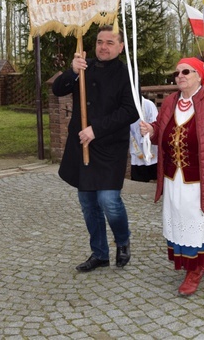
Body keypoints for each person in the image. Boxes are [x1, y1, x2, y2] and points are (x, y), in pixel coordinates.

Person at [139, 57, 204, 296]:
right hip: (173, 180)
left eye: (186, 71)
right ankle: (196, 262)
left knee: (199, 227)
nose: (180, 76)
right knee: (181, 225)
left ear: (200, 76)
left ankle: (196, 269)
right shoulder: (169, 102)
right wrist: (152, 131)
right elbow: (161, 130)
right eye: (176, 73)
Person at [51, 26, 139, 272]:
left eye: (110, 42)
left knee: (108, 200)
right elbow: (58, 89)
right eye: (100, 41)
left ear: (120, 47)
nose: (103, 46)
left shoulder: (126, 74)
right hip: (82, 146)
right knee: (88, 202)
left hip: (109, 146)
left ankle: (122, 241)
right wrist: (72, 71)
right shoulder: (84, 66)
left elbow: (130, 111)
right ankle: (99, 253)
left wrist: (96, 129)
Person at [129, 96, 158, 182]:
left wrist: (146, 135)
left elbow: (155, 124)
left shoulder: (148, 105)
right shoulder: (127, 107)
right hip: (136, 151)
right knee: (138, 181)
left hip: (151, 149)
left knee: (156, 181)